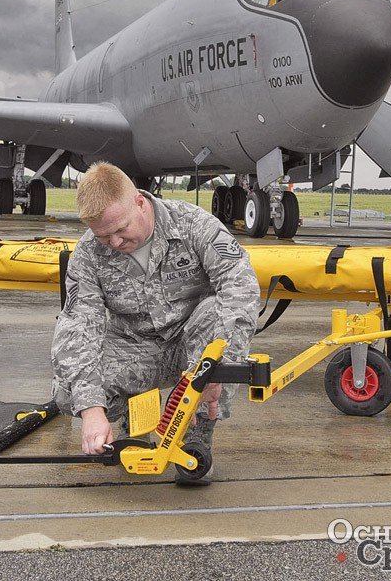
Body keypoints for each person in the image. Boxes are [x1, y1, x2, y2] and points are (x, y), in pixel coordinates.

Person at [51, 161, 260, 485]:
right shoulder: (89, 253)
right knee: (68, 393)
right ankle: (137, 418)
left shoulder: (195, 225)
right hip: (134, 348)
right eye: (105, 236)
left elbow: (240, 286)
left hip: (195, 348)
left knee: (216, 311)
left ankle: (197, 436)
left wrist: (222, 367)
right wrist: (91, 409)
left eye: (122, 230)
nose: (116, 243)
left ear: (139, 202)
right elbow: (79, 325)